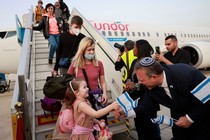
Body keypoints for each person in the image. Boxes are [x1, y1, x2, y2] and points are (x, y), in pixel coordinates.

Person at [121, 57, 210, 140]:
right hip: (179, 124)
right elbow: (148, 106)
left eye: (142, 80)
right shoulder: (149, 85)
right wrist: (126, 113)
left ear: (154, 77)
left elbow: (208, 99)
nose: (139, 83)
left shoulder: (186, 73)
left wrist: (190, 118)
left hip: (203, 121)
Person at [125, 40, 161, 140]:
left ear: (140, 48)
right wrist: (128, 82)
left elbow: (149, 83)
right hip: (137, 100)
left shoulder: (149, 62)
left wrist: (134, 86)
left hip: (148, 100)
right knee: (141, 129)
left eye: (135, 47)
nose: (133, 49)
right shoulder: (134, 62)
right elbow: (129, 75)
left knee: (152, 130)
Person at [67, 37, 108, 121]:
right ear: (82, 50)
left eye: (93, 49)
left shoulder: (98, 64)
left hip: (97, 98)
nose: (92, 52)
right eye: (89, 50)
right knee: (87, 125)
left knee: (102, 122)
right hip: (83, 100)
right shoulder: (75, 65)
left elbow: (102, 81)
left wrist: (104, 93)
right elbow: (67, 82)